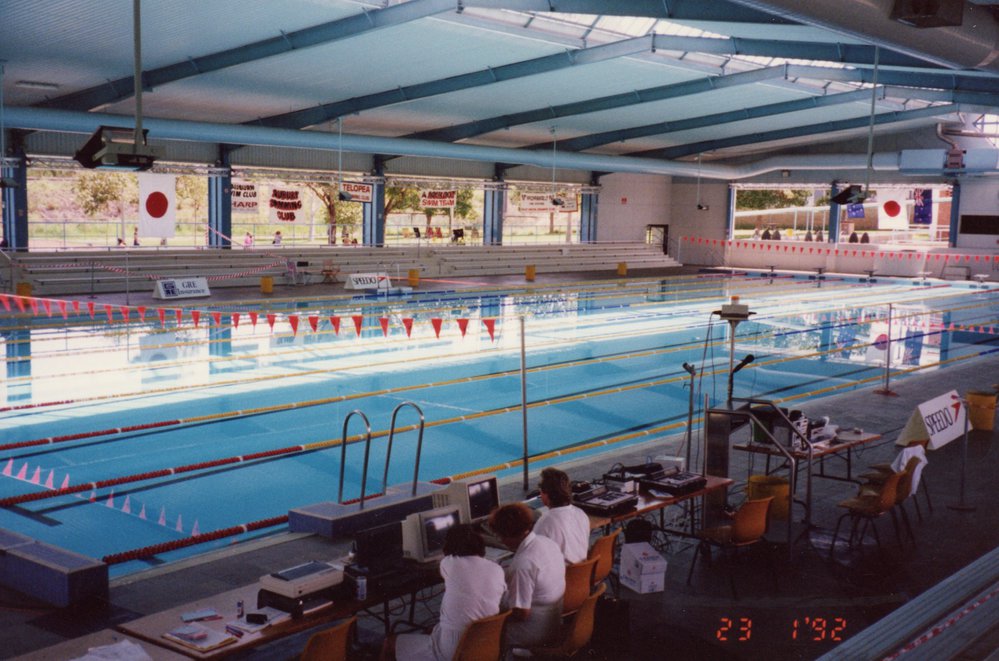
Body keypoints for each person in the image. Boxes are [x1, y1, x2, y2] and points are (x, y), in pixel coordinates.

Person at [387, 524, 505, 661]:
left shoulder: (449, 563)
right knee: (434, 630)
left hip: (452, 652)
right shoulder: (497, 569)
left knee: (389, 643)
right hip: (483, 648)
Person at [489, 503, 565, 650]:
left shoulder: (523, 564)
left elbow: (521, 614)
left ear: (509, 534)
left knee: (479, 635)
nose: (500, 541)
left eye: (500, 536)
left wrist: (491, 619)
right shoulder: (547, 542)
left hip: (533, 632)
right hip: (553, 621)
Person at [533, 467, 591, 563]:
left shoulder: (545, 521)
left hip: (562, 575)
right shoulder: (581, 513)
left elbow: (534, 554)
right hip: (582, 572)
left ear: (546, 494)